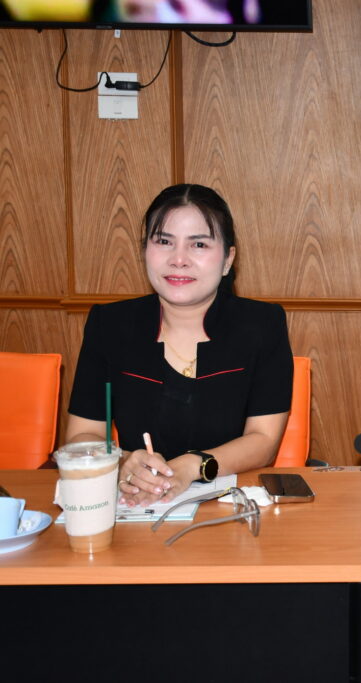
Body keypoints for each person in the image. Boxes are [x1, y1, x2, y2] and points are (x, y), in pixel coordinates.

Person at [65, 184, 293, 506]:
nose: (179, 259)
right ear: (144, 250)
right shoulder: (110, 325)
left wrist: (191, 466)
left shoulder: (262, 325)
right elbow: (82, 435)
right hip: (135, 506)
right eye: (164, 242)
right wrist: (124, 462)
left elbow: (264, 440)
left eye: (199, 244)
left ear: (227, 259)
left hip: (231, 508)